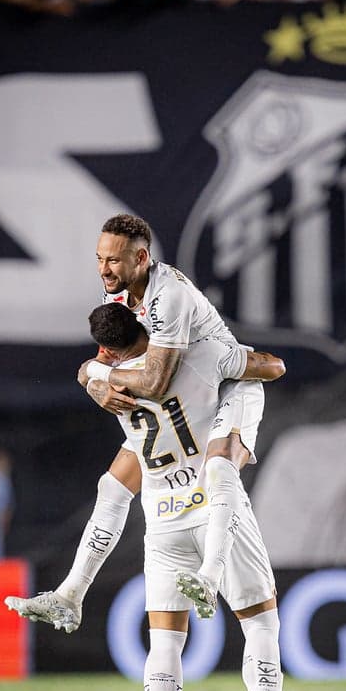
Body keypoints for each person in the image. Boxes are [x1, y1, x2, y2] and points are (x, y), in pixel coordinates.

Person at [6, 303, 319, 691]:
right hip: (214, 508)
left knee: (165, 640)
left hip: (162, 517)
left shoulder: (108, 379)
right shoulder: (200, 354)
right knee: (260, 624)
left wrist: (94, 373)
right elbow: (271, 366)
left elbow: (92, 369)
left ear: (108, 348)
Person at [80, 213, 270, 618]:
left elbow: (154, 383)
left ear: (142, 258)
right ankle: (70, 594)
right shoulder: (117, 297)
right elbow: (104, 358)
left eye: (112, 261)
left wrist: (99, 376)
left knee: (219, 471)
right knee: (112, 487)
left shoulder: (169, 296)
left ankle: (211, 576)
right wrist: (93, 379)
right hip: (186, 397)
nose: (103, 269)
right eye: (99, 258)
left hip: (226, 383)